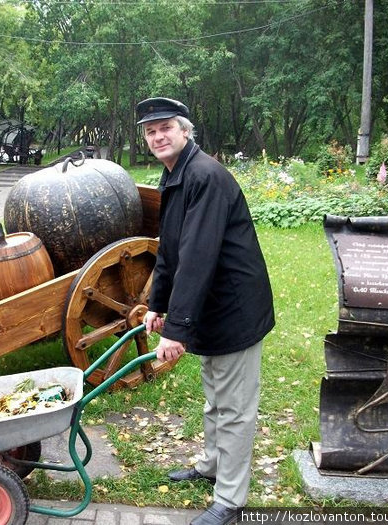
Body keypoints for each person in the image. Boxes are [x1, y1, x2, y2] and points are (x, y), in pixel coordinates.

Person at [136, 97, 275, 525]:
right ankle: (214, 466)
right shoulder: (176, 175)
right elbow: (171, 250)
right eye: (150, 131)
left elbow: (197, 258)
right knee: (216, 398)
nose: (158, 136)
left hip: (232, 306)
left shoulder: (205, 176)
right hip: (210, 306)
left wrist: (175, 329)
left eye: (165, 128)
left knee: (233, 407)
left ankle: (230, 501)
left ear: (185, 131)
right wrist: (158, 305)